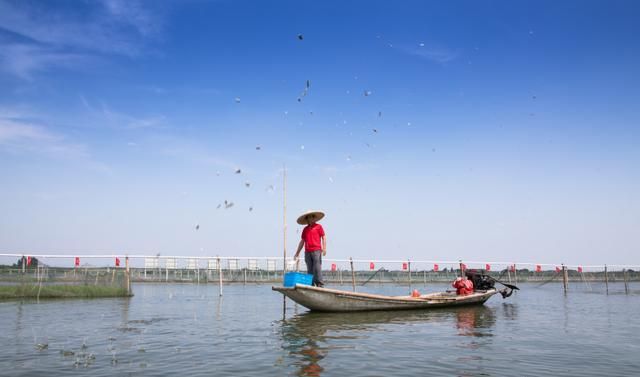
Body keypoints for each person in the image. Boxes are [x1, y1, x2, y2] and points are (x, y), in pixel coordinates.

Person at [294, 210, 326, 287]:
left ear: (313, 218)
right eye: (307, 218)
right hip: (307, 251)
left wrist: (324, 248)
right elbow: (302, 241)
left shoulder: (319, 227)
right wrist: (297, 252)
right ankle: (311, 284)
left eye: (310, 217)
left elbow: (323, 237)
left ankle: (320, 284)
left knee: (317, 267)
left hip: (316, 250)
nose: (309, 219)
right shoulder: (305, 229)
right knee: (310, 269)